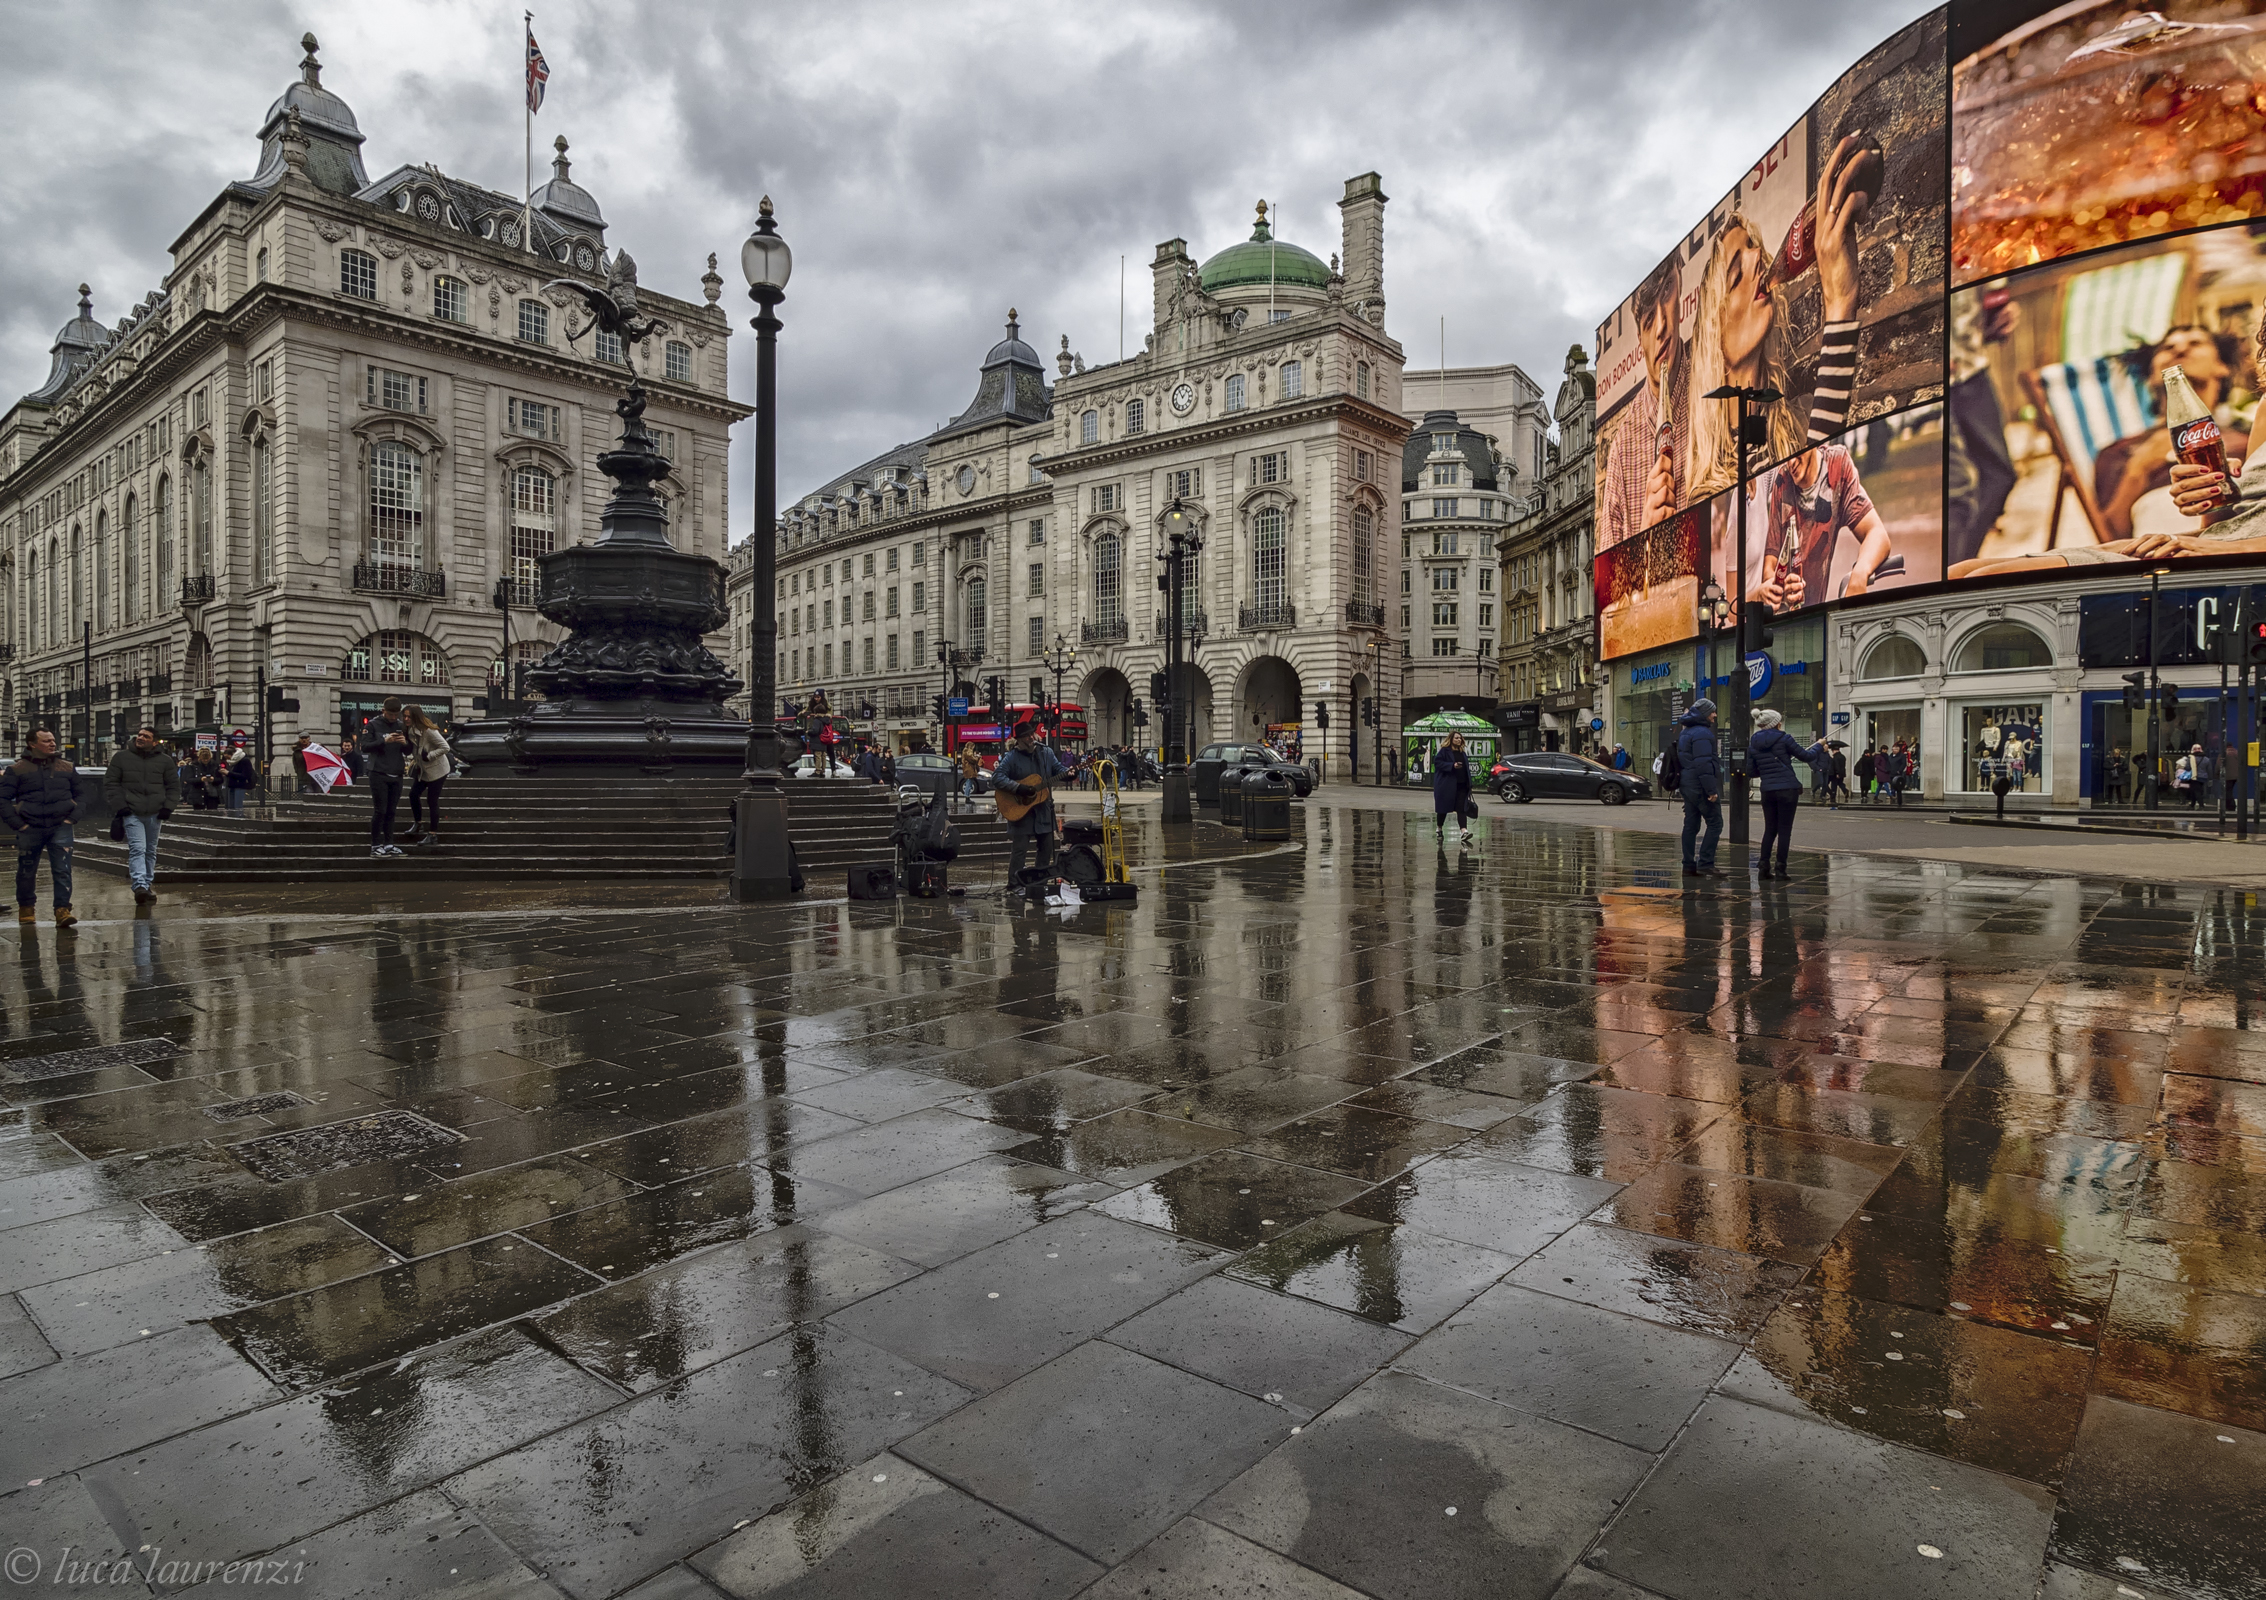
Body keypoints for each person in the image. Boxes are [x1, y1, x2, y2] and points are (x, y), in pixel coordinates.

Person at [1686, 136, 1872, 505]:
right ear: (1714, 337)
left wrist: (1842, 302)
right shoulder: (1708, 494)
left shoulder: (1796, 424)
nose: (1759, 259)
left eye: (1756, 249)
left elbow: (1827, 502)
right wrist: (1839, 306)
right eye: (1737, 275)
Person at [1602, 255, 1694, 549]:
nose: (1662, 328)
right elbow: (1610, 591)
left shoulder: (1712, 387)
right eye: (1648, 320)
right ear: (1639, 338)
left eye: (1667, 291)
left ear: (1680, 287)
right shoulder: (1623, 446)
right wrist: (1644, 536)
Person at [1756, 438, 1897, 612]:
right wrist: (1779, 587)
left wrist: (1859, 574)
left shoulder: (1837, 465)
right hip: (1785, 620)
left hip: (1816, 616)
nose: (1790, 461)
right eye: (1785, 453)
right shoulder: (1782, 479)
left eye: (1796, 451)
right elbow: (1770, 565)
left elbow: (1877, 534)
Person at [0, 729, 78, 928]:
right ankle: (26, 908)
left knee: (63, 870)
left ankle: (62, 910)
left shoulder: (66, 767)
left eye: (53, 740)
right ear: (32, 744)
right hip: (30, 826)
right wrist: (18, 824)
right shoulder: (17, 769)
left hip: (60, 825)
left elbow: (82, 794)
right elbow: (3, 799)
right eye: (46, 741)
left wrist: (73, 817)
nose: (52, 744)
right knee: (26, 870)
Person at [103, 725, 178, 906]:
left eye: (146, 736)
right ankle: (139, 886)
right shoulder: (121, 757)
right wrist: (121, 807)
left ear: (154, 742)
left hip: (155, 813)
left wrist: (168, 807)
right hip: (132, 812)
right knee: (138, 848)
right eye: (139, 735)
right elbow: (111, 784)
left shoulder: (165, 761)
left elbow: (174, 786)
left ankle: (146, 884)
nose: (141, 738)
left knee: (150, 850)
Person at [1748, 708, 1828, 880]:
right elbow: (1806, 756)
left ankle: (1763, 867)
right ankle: (1781, 868)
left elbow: (1751, 770)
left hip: (1767, 790)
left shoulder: (1754, 742)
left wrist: (1768, 768)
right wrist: (1819, 746)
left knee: (1770, 829)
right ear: (1776, 723)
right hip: (1787, 790)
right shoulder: (1784, 738)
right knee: (1784, 830)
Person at [993, 720, 1067, 890]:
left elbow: (1058, 769)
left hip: (1043, 811)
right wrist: (1019, 788)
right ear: (1018, 740)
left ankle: (1038, 883)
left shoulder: (1045, 753)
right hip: (1021, 812)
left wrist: (1070, 773)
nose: (1030, 738)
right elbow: (997, 778)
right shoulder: (1012, 757)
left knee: (1046, 848)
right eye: (1026, 736)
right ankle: (1014, 884)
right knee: (1020, 851)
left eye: (1031, 734)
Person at [1676, 699, 1725, 878]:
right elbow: (1703, 764)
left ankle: (1688, 865)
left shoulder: (1686, 732)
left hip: (1687, 784)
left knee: (1691, 824)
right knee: (1715, 823)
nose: (1715, 715)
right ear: (1705, 713)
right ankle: (1706, 863)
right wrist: (1711, 790)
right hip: (1699, 785)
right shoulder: (1703, 733)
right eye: (1712, 712)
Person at [360, 696, 410, 859]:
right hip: (378, 772)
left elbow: (408, 751)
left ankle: (389, 844)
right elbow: (365, 746)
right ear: (383, 711)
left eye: (396, 715)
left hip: (396, 772)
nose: (393, 718)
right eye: (390, 715)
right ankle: (375, 845)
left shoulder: (401, 726)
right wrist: (383, 740)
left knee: (391, 811)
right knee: (380, 810)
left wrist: (405, 743)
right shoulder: (373, 725)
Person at [403, 705, 452, 846]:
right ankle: (418, 823)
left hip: (437, 770)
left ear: (416, 717)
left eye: (409, 716)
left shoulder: (429, 731)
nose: (406, 719)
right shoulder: (410, 730)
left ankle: (433, 835)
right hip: (423, 770)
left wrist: (429, 756)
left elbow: (445, 747)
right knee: (413, 794)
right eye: (404, 716)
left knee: (432, 800)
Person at [1433, 730, 1474, 848]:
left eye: (1460, 738)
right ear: (1451, 739)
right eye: (1456, 738)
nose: (1459, 740)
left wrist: (1469, 784)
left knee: (1461, 809)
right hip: (1446, 786)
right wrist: (1452, 766)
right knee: (1443, 809)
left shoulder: (1462, 752)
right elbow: (1437, 763)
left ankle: (1463, 831)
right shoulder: (1444, 751)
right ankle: (1439, 828)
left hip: (1461, 785)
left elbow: (1466, 769)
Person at [224, 740, 257, 815]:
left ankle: (239, 822)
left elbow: (245, 775)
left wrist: (228, 773)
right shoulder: (232, 762)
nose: (227, 759)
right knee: (230, 807)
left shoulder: (244, 760)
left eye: (228, 757)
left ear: (233, 754)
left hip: (240, 786)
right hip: (231, 785)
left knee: (237, 807)